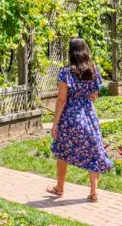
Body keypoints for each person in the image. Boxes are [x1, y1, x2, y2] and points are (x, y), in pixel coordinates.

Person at [48, 37, 112, 202]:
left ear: (71, 53)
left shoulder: (66, 72)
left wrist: (55, 123)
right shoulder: (93, 70)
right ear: (85, 51)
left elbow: (61, 99)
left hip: (70, 117)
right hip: (89, 116)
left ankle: (59, 188)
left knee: (63, 151)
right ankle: (93, 192)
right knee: (93, 151)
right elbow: (94, 96)